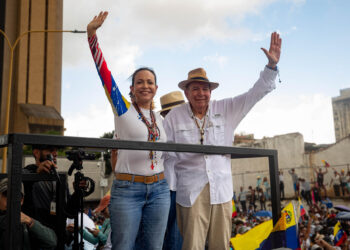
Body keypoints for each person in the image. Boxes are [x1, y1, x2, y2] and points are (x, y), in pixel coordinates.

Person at [164, 30, 282, 249]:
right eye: (195, 89)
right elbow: (165, 155)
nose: (201, 93)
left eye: (205, 89)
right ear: (187, 93)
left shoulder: (226, 109)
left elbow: (254, 94)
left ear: (211, 91)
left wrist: (271, 67)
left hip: (222, 189)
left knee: (220, 244)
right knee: (191, 245)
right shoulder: (173, 117)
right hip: (190, 190)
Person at [87, 11, 170, 250]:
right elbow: (105, 76)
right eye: (140, 82)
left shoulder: (160, 118)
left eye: (150, 82)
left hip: (159, 189)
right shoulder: (122, 107)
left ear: (156, 88)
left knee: (154, 247)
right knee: (123, 246)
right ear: (132, 89)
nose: (145, 85)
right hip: (128, 189)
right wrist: (92, 36)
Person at [0, 178, 57, 249]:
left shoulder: (25, 220)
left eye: (16, 196)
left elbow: (52, 241)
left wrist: (30, 222)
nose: (11, 200)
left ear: (22, 200)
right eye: (6, 195)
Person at [160, 91, 185, 250]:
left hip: (181, 186)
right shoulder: (163, 128)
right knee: (171, 234)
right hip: (168, 187)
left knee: (177, 234)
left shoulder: (188, 126)